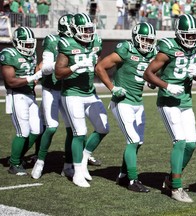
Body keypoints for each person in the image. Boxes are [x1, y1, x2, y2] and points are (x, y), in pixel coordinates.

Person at [143, 14, 196, 202]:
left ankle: (170, 179)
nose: (192, 39)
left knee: (191, 144)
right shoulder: (168, 47)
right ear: (178, 33)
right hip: (168, 100)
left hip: (185, 100)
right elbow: (148, 74)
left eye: (194, 35)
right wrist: (167, 86)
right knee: (180, 141)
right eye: (188, 35)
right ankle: (176, 188)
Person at [95, 22, 157, 193]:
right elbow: (100, 67)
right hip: (122, 102)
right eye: (144, 39)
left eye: (150, 40)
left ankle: (123, 175)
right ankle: (132, 180)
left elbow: (146, 73)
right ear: (136, 38)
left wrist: (150, 82)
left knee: (138, 142)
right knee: (133, 140)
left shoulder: (151, 52)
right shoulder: (126, 49)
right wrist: (112, 88)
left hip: (138, 102)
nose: (147, 43)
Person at [55, 12, 109, 188]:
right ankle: (77, 172)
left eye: (89, 29)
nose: (87, 33)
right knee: (79, 132)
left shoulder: (96, 42)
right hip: (72, 94)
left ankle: (84, 157)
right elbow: (58, 73)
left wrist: (112, 86)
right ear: (74, 30)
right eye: (84, 30)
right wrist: (76, 66)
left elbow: (98, 66)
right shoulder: (67, 43)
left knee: (103, 127)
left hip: (90, 93)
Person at [31, 13, 74, 180]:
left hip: (69, 90)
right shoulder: (53, 40)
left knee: (74, 129)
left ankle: (69, 165)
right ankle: (40, 161)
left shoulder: (80, 42)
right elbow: (47, 67)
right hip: (51, 89)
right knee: (51, 127)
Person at [0, 26, 43, 175]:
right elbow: (10, 81)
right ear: (17, 43)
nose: (30, 47)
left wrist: (40, 72)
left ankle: (17, 157)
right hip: (16, 95)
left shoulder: (31, 55)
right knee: (23, 131)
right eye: (27, 44)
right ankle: (14, 164)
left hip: (30, 95)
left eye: (32, 44)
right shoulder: (9, 54)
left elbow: (35, 71)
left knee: (37, 130)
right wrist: (31, 78)